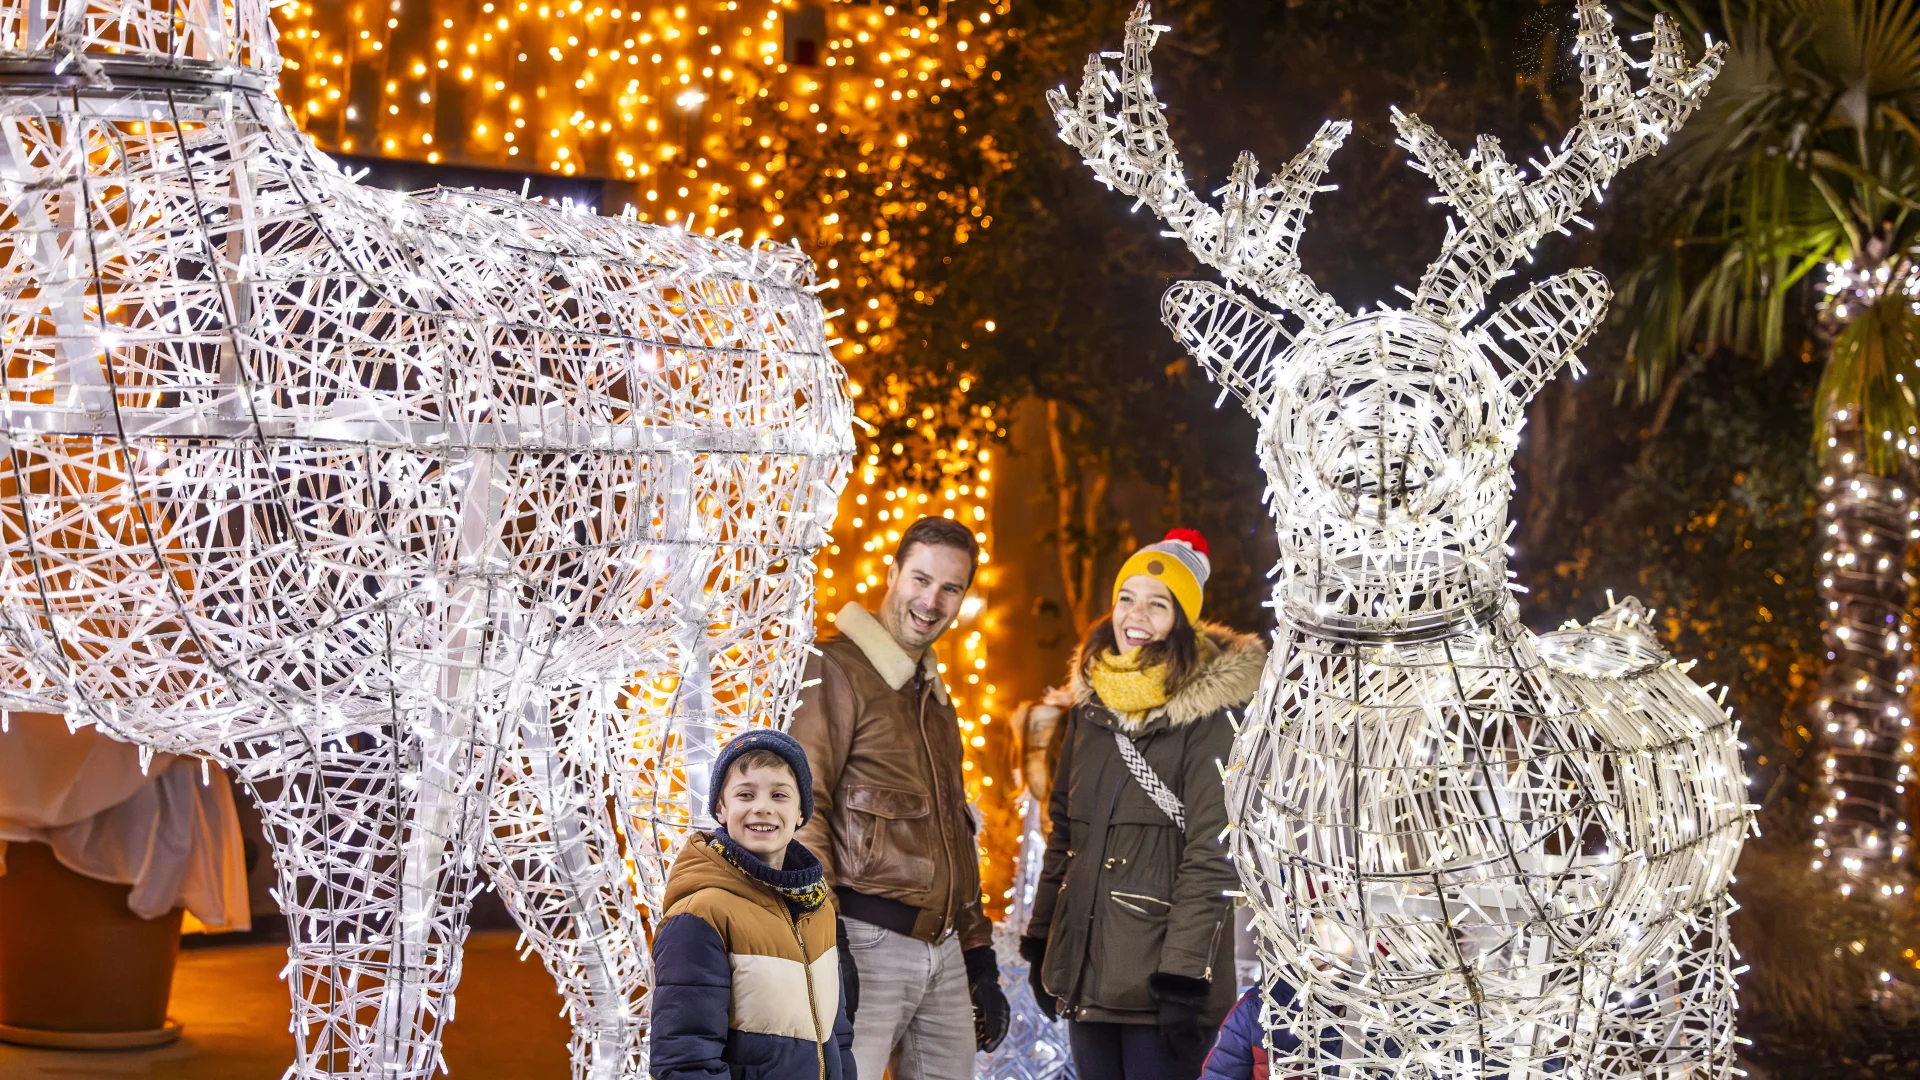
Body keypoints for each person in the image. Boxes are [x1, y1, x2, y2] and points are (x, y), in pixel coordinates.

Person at [1020, 529, 1266, 1080]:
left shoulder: (1208, 717)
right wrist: (1042, 939)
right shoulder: (1090, 711)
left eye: (1158, 604)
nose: (1136, 615)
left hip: (1162, 987)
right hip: (1089, 976)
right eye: (1126, 598)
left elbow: (1213, 855)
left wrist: (1182, 981)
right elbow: (1064, 835)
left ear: (1182, 620)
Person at [790, 515, 1010, 1080]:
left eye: (950, 588)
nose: (931, 601)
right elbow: (804, 809)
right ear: (892, 574)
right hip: (864, 941)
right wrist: (824, 935)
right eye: (920, 579)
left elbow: (956, 838)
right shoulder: (833, 667)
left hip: (944, 948)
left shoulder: (937, 701)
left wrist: (979, 956)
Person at [648, 729, 857, 1079]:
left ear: (801, 812)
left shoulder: (817, 909)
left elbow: (839, 1038)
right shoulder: (701, 915)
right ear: (720, 808)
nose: (763, 807)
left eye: (779, 795)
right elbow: (685, 1060)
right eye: (745, 794)